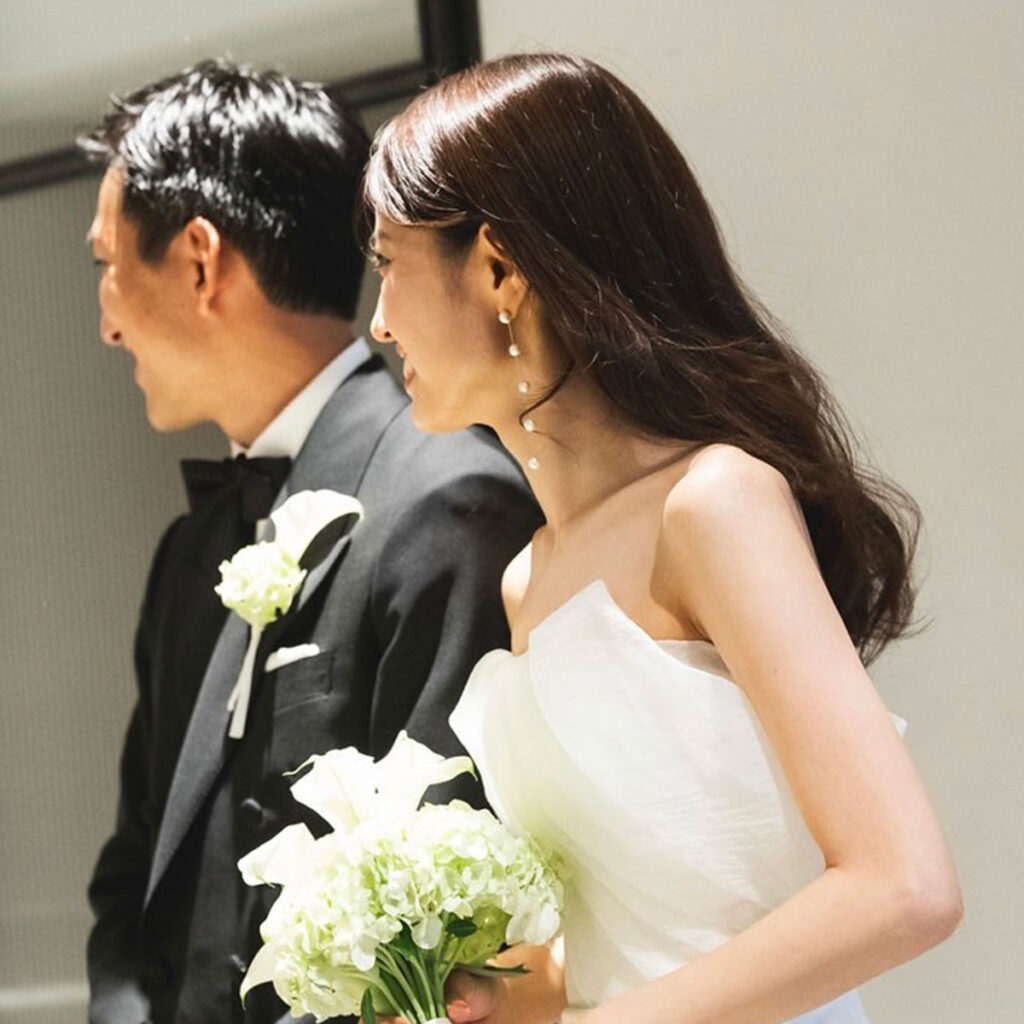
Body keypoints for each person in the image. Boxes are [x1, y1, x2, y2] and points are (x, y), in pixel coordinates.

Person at [360, 53, 962, 1024]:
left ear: (500, 269)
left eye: (387, 265)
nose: (381, 324)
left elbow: (905, 887)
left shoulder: (714, 504)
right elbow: (639, 934)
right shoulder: (529, 576)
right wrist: (492, 996)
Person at [82, 60, 541, 1024]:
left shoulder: (451, 501)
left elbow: (449, 920)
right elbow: (133, 876)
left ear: (199, 260)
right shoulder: (188, 552)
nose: (107, 325)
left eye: (107, 267)